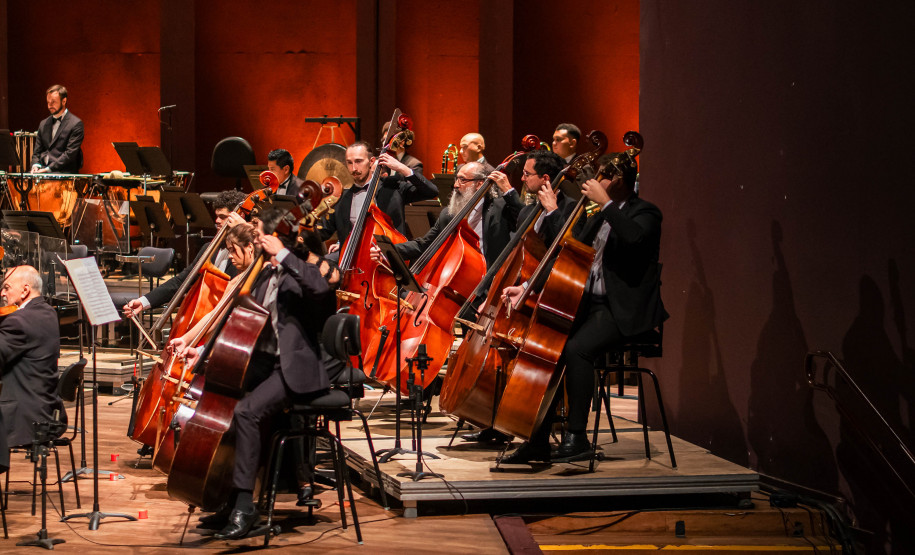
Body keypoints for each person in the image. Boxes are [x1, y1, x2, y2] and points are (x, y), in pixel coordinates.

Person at [172, 208, 340, 539]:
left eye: (262, 232)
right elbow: (241, 324)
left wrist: (285, 255)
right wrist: (204, 353)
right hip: (263, 364)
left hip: (294, 369)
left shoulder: (298, 270)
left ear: (279, 237)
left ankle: (245, 507)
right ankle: (229, 498)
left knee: (247, 412)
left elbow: (322, 290)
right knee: (224, 403)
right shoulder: (260, 274)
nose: (257, 237)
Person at [500, 150, 667, 464]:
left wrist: (605, 202)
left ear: (617, 179)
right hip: (591, 304)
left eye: (601, 176)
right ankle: (537, 440)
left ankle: (577, 436)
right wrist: (527, 286)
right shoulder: (600, 214)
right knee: (549, 348)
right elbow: (571, 250)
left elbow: (633, 239)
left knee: (576, 349)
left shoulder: (646, 212)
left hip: (623, 310)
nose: (594, 182)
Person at [371, 161, 522, 269]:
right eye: (457, 178)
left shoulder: (500, 208)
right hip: (456, 277)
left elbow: (524, 220)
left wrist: (509, 191)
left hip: (489, 281)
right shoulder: (449, 214)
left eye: (463, 180)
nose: (456, 185)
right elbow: (424, 244)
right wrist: (388, 250)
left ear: (480, 184)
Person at [122, 189, 248, 318]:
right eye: (216, 216)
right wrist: (144, 302)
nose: (216, 221)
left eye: (222, 217)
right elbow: (182, 281)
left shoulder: (248, 253)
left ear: (239, 217)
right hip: (206, 317)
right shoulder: (209, 249)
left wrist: (245, 231)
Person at [320, 141, 439, 254]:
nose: (354, 168)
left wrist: (402, 168)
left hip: (388, 259)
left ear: (371, 161)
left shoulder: (393, 188)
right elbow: (324, 231)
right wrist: (304, 230)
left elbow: (431, 192)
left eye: (358, 161)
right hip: (352, 262)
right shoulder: (341, 198)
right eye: (349, 163)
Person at [0, 266, 62, 449]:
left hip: (22, 416)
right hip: (45, 408)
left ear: (25, 290)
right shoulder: (48, 312)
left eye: (7, 287)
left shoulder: (18, 321)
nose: (2, 293)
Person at [516, 150, 576, 247]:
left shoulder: (572, 208)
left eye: (527, 174)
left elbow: (568, 246)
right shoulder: (525, 212)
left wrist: (552, 210)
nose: (522, 178)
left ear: (545, 178)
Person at [30, 84, 84, 174]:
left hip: (64, 172)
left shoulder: (76, 124)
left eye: (53, 102)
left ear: (64, 101)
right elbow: (37, 152)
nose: (49, 106)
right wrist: (35, 165)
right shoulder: (43, 124)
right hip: (42, 171)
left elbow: (69, 155)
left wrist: (48, 170)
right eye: (48, 102)